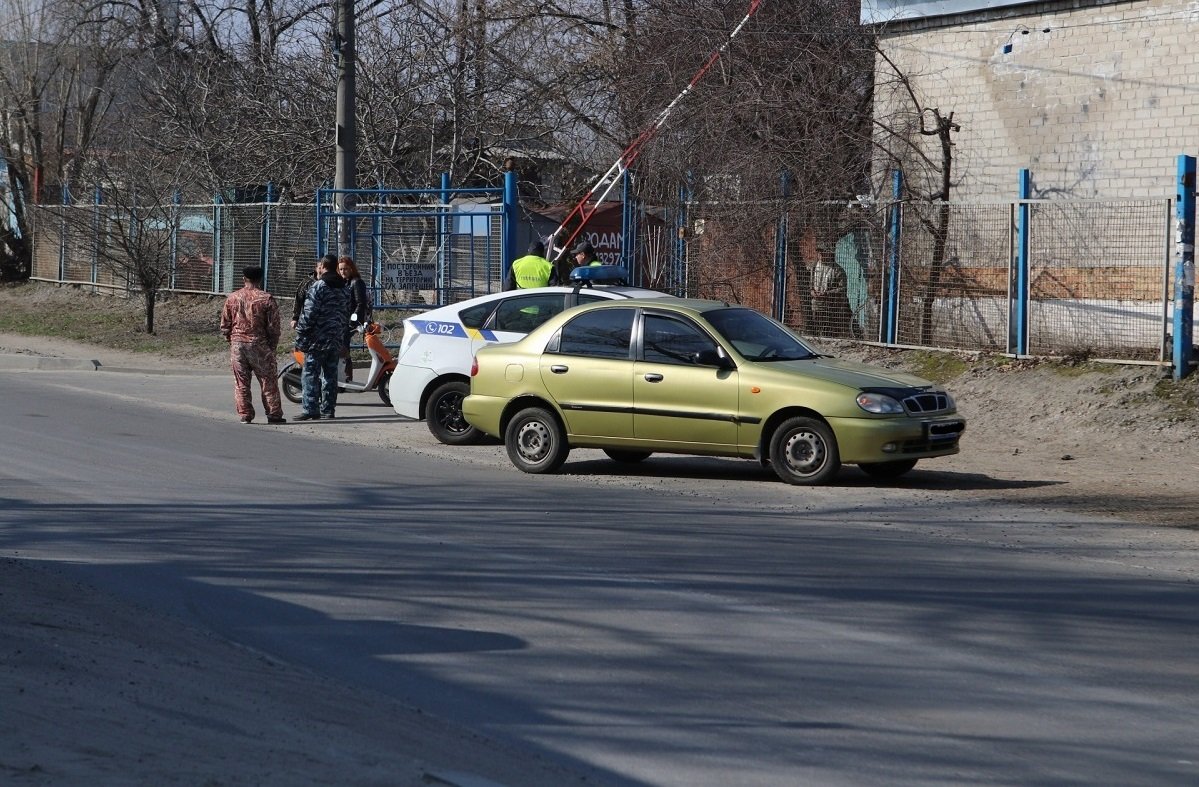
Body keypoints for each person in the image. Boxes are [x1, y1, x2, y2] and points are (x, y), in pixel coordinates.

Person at [220, 266, 286, 425]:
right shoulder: (266, 299)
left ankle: (245, 414)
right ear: (261, 279)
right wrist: (272, 346)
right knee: (268, 380)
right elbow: (273, 327)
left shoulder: (233, 298)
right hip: (259, 344)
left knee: (241, 381)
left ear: (244, 278)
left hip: (237, 344)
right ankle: (273, 413)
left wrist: (232, 339)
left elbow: (225, 324)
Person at [294, 255, 349, 421]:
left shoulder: (319, 286)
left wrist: (301, 334)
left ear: (324, 266)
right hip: (335, 338)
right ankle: (328, 410)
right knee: (330, 375)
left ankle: (311, 409)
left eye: (319, 266)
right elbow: (346, 313)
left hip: (317, 339)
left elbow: (309, 313)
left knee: (310, 373)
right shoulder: (344, 288)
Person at [337, 256, 371, 381]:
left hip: (350, 322)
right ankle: (344, 377)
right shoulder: (344, 282)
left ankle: (346, 377)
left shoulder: (356, 282)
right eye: (340, 269)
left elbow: (360, 304)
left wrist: (352, 321)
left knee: (343, 348)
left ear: (351, 269)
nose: (343, 272)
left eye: (345, 269)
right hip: (343, 320)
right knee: (342, 348)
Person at [811, 246, 852, 338]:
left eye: (823, 252)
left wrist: (827, 293)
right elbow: (810, 284)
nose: (820, 255)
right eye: (819, 252)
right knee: (816, 328)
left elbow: (842, 288)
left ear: (829, 253)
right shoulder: (814, 266)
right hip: (816, 304)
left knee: (828, 331)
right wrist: (812, 291)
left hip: (830, 306)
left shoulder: (837, 270)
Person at [291, 254, 333, 330]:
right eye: (320, 268)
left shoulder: (330, 283)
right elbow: (298, 299)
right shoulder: (307, 282)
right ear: (316, 268)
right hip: (308, 320)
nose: (321, 271)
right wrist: (295, 318)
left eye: (323, 268)